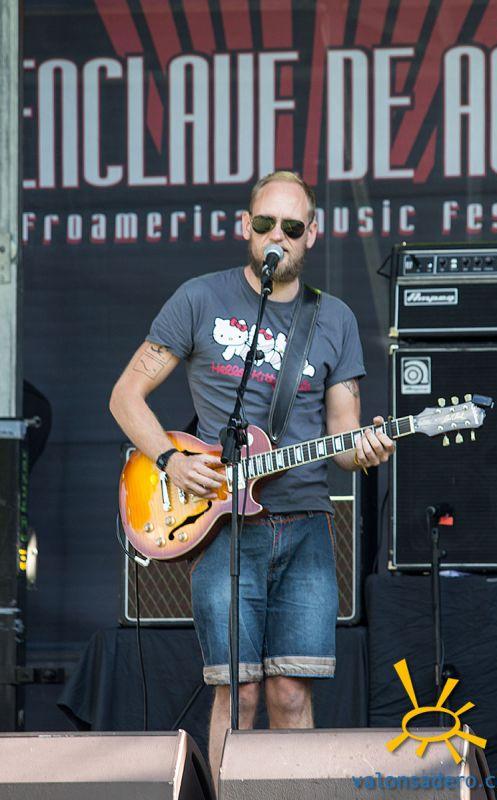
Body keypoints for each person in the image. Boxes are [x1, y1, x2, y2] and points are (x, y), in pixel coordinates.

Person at [109, 170, 395, 785]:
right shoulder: (198, 299)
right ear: (246, 226)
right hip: (224, 526)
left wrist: (366, 449)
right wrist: (170, 460)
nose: (276, 236)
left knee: (292, 692)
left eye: (291, 227)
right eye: (265, 223)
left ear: (311, 234)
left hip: (307, 525)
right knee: (235, 691)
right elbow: (126, 396)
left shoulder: (335, 318)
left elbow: (344, 438)